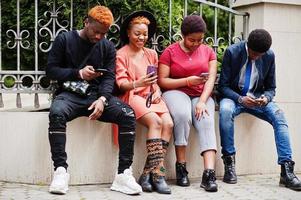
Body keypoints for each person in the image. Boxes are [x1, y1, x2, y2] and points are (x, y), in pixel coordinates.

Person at [46, 5, 142, 195]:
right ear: (86, 22)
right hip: (69, 96)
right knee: (56, 113)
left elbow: (109, 78)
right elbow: (51, 70)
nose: (98, 36)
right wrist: (78, 73)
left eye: (103, 33)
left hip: (96, 98)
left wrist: (103, 100)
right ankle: (60, 171)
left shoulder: (107, 46)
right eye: (95, 31)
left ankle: (123, 175)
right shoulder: (65, 39)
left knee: (128, 114)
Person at [218, 29, 301, 191]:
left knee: (279, 116)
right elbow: (223, 87)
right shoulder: (232, 52)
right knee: (225, 111)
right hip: (234, 98)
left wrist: (266, 98)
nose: (256, 57)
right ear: (247, 45)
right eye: (254, 53)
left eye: (260, 55)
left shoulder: (269, 55)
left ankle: (287, 170)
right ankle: (229, 164)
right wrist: (240, 99)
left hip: (257, 99)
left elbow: (271, 88)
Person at [115, 10, 173, 194]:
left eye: (145, 34)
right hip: (133, 96)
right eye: (137, 34)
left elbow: (154, 80)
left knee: (169, 124)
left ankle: (148, 173)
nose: (142, 37)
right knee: (155, 122)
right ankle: (160, 174)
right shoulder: (121, 55)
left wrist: (157, 90)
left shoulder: (151, 53)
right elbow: (121, 84)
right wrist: (138, 83)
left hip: (151, 96)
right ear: (128, 33)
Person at [158, 15, 218, 192]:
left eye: (200, 40)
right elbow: (162, 81)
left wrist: (201, 101)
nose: (196, 43)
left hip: (201, 95)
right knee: (182, 115)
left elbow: (211, 78)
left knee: (206, 119)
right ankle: (181, 168)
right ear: (183, 35)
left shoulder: (208, 52)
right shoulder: (170, 52)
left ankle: (209, 174)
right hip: (176, 91)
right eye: (192, 40)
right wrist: (187, 81)